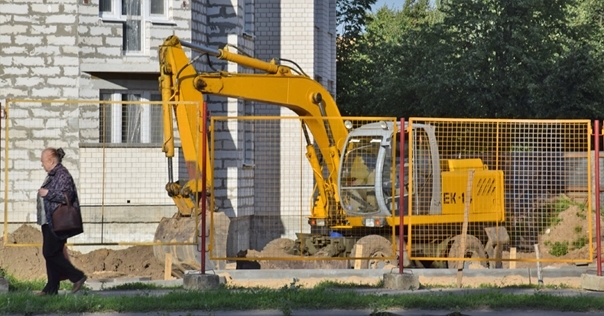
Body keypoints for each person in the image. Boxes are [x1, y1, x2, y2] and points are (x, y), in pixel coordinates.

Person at [36, 147, 87, 295]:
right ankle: (51, 289)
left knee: (50, 253)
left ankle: (77, 276)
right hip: (49, 221)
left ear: (51, 160)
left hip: (57, 221)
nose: (41, 164)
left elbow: (68, 195)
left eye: (43, 161)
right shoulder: (53, 174)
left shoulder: (62, 174)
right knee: (52, 253)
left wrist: (48, 193)